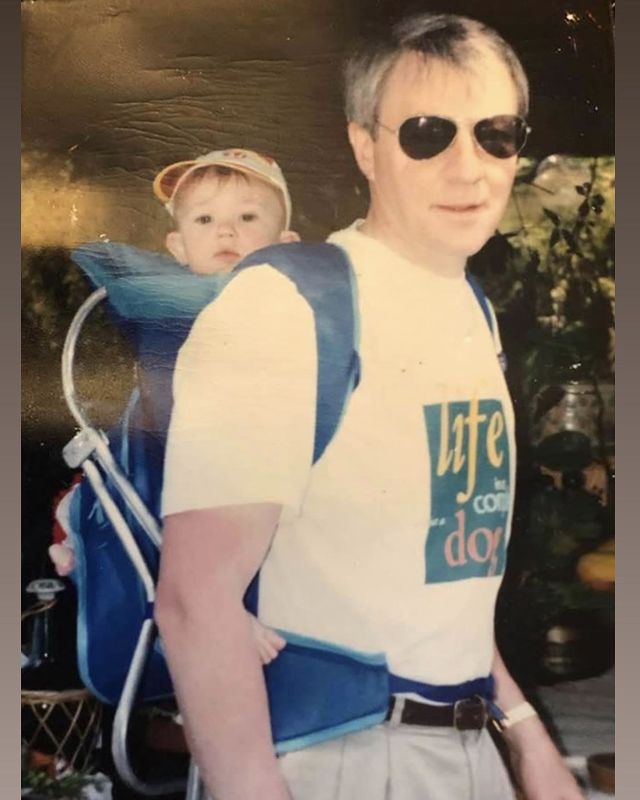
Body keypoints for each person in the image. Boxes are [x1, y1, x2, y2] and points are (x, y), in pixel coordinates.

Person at [156, 12, 584, 800]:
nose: (470, 167)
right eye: (427, 133)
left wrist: (526, 739)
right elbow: (193, 599)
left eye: (497, 133)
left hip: (467, 749)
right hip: (343, 759)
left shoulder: (472, 311)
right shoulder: (290, 304)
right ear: (366, 146)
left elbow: (435, 584)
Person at [49, 147, 299, 665]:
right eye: (205, 220)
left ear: (287, 245)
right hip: (183, 469)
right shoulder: (170, 307)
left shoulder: (297, 310)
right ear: (177, 246)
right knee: (185, 460)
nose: (225, 232)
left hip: (263, 475)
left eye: (247, 218)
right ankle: (213, 601)